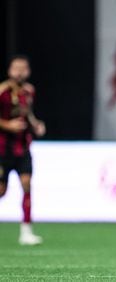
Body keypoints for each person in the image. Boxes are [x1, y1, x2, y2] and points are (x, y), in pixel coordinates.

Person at [0, 55, 46, 245]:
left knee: (26, 184)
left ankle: (26, 231)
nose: (19, 72)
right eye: (16, 68)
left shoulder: (29, 92)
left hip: (23, 147)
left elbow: (28, 115)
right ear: (10, 70)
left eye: (23, 68)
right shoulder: (2, 91)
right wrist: (8, 125)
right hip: (3, 148)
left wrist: (36, 125)